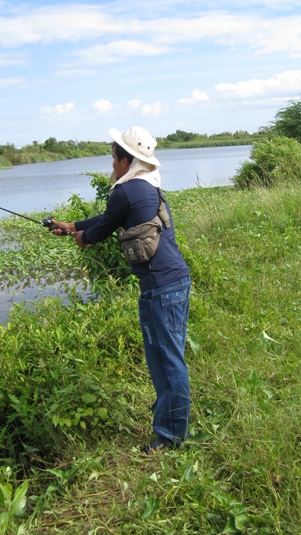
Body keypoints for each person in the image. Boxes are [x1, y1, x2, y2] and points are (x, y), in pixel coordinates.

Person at [51, 126, 191, 453]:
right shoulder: (145, 186)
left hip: (160, 289)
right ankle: (172, 423)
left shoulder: (124, 191)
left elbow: (101, 229)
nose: (111, 163)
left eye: (114, 158)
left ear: (126, 161)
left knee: (167, 362)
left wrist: (83, 237)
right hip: (175, 282)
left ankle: (170, 439)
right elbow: (107, 217)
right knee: (171, 358)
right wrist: (73, 226)